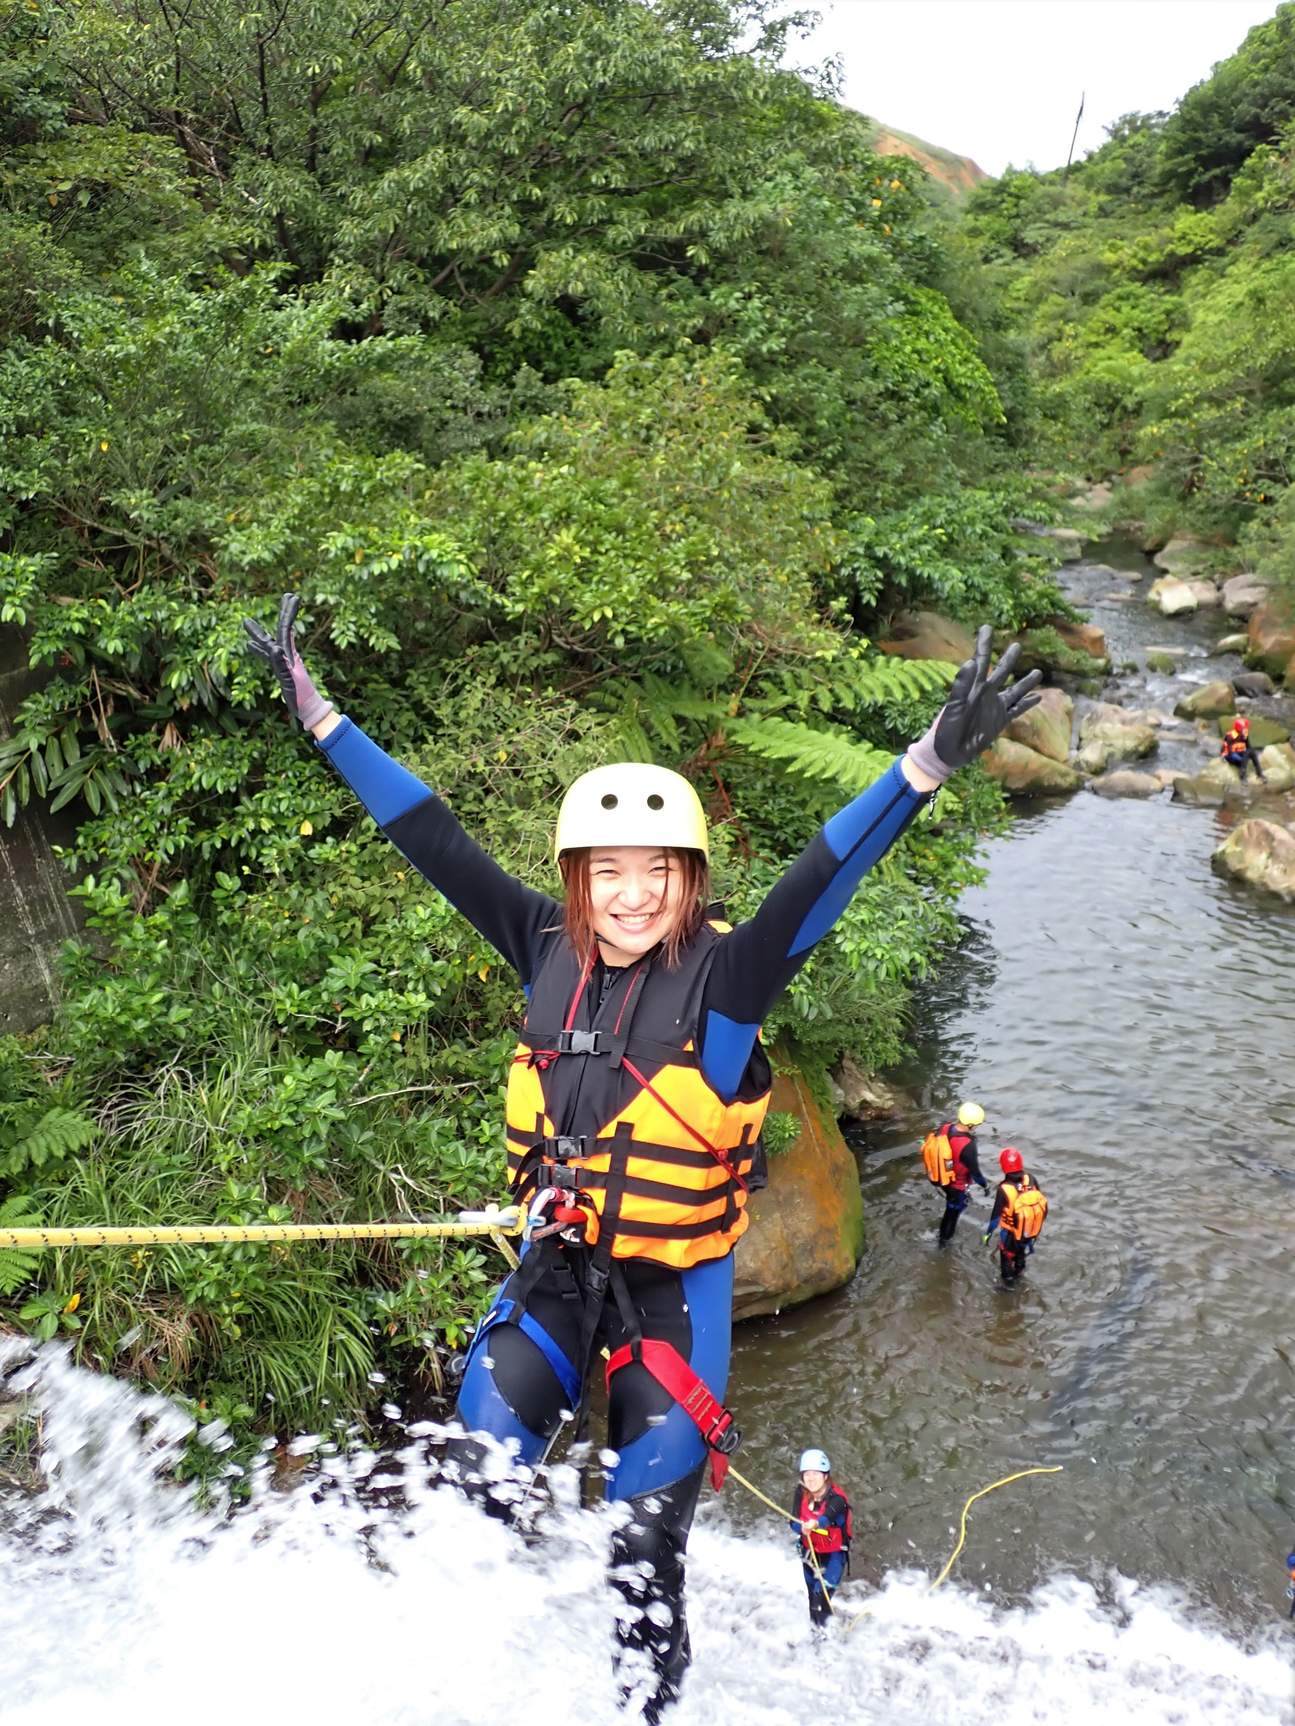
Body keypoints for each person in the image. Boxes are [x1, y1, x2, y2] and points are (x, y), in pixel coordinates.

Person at [244, 595, 1040, 1720]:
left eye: (657, 869)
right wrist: (323, 721)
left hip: (673, 1301)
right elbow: (430, 837)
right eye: (607, 871)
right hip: (556, 1276)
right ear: (576, 878)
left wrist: (921, 768)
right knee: (473, 1482)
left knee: (641, 1560)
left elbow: (819, 881)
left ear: (688, 876)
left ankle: (642, 1709)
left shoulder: (727, 982)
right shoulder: (539, 945)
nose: (632, 894)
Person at [789, 1447, 852, 1629]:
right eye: (807, 1474)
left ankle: (825, 1637)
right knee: (812, 1599)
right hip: (809, 1552)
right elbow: (792, 1522)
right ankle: (817, 1633)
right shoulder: (801, 1492)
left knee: (820, 1598)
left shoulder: (838, 1500)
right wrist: (801, 1527)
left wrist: (814, 1524)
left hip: (833, 1556)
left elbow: (827, 1518)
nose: (811, 1478)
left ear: (825, 1476)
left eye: (816, 1474)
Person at [921, 1101, 990, 1244]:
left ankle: (941, 1236)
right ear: (970, 1125)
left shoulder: (944, 1128)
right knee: (952, 1215)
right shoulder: (968, 1145)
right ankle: (943, 1244)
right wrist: (985, 1186)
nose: (977, 1126)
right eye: (977, 1124)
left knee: (951, 1209)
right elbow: (976, 1173)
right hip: (956, 1186)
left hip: (942, 1179)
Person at [984, 1148, 1048, 1286]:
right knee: (1020, 1255)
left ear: (1003, 1167)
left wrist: (987, 1235)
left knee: (1006, 1262)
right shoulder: (1031, 1179)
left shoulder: (1004, 1189)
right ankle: (1019, 1274)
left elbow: (995, 1218)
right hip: (1029, 1231)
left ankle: (1008, 1289)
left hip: (1010, 1235)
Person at [1220, 715, 1266, 782]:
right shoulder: (1230, 736)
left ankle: (1259, 774)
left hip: (1240, 753)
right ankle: (1242, 777)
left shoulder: (1245, 734)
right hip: (1230, 755)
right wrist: (1243, 758)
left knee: (1252, 752)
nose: (1245, 729)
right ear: (1239, 728)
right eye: (1244, 728)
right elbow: (1229, 752)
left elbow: (1248, 747)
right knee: (1242, 759)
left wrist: (1251, 754)